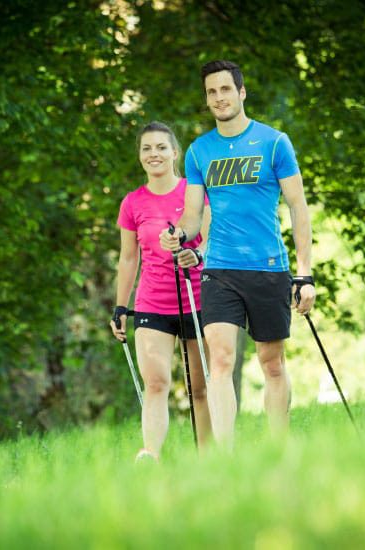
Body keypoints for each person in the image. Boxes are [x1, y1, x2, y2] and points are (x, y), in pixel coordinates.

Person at [160, 60, 316, 448]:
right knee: (221, 361)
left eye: (225, 89)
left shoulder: (274, 142)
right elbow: (194, 216)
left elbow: (298, 206)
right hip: (219, 269)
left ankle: (279, 448)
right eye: (211, 92)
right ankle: (226, 460)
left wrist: (305, 272)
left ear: (241, 92)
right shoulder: (199, 151)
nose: (218, 98)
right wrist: (179, 234)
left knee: (272, 363)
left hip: (268, 267)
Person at [110, 121, 212, 461]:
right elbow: (127, 259)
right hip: (152, 304)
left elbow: (213, 243)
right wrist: (120, 307)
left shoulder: (194, 193)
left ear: (174, 153)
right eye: (147, 148)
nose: (154, 154)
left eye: (160, 147)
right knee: (155, 384)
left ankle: (209, 458)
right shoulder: (132, 203)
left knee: (200, 388)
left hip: (197, 299)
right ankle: (150, 456)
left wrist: (195, 254)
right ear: (140, 156)